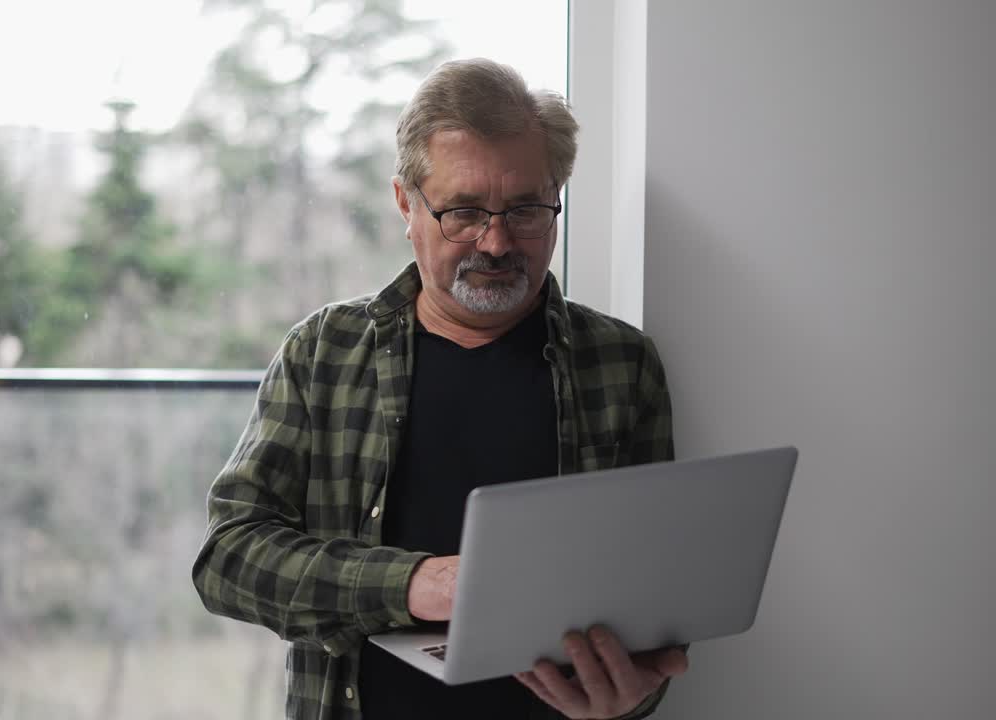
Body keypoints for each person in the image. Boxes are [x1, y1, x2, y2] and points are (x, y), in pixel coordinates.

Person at [193, 58, 688, 720]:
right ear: (406, 204)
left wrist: (631, 696)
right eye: (463, 212)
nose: (496, 241)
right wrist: (419, 585)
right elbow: (228, 558)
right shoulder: (325, 353)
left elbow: (656, 591)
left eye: (526, 210)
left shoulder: (622, 365)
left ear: (558, 200)